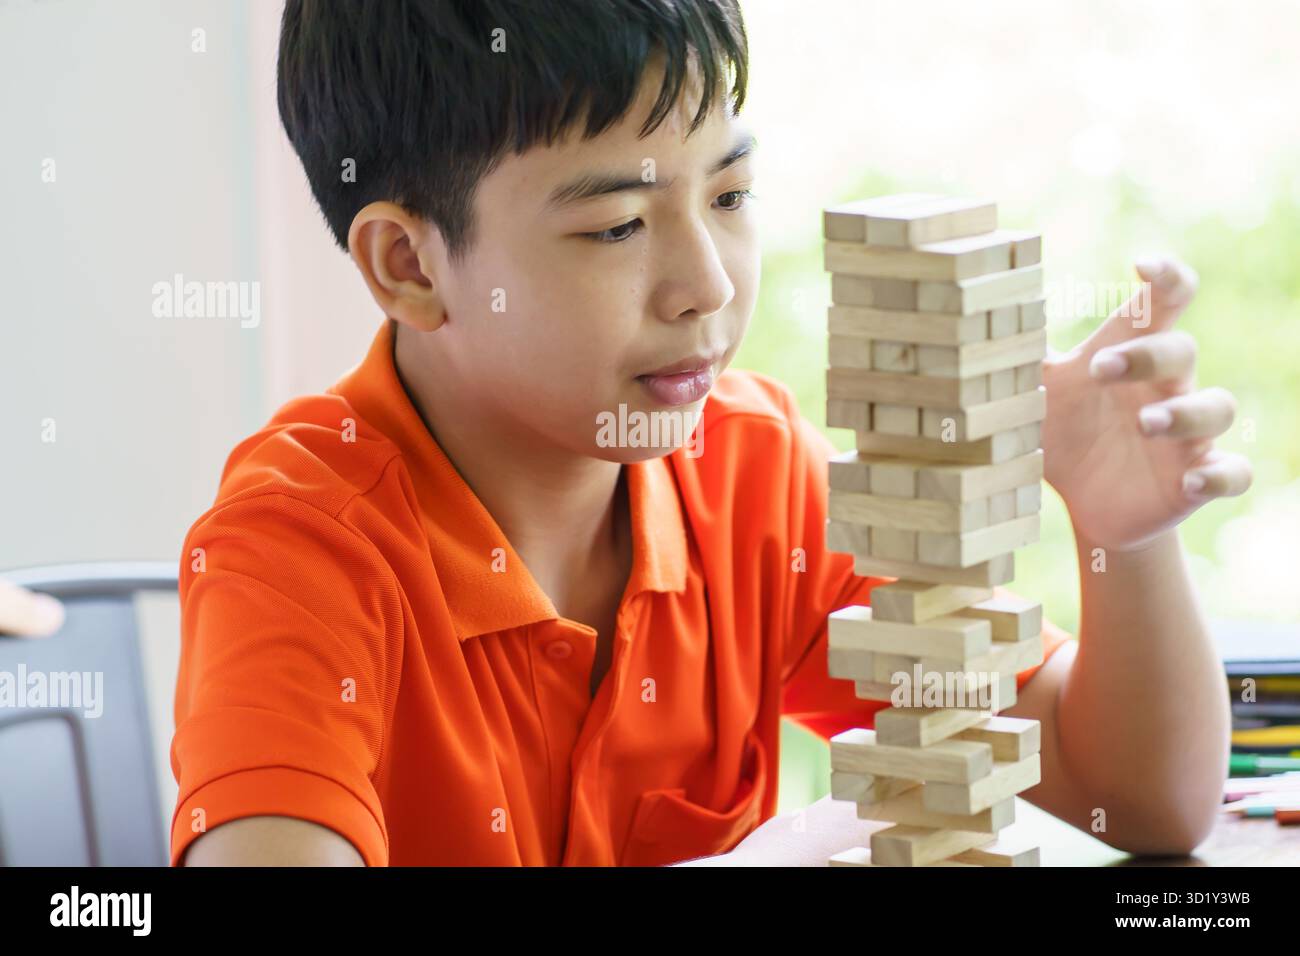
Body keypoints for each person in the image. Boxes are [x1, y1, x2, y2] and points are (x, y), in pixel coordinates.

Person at [172, 0, 1250, 866]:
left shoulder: (751, 472)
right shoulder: (300, 547)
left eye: (731, 195)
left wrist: (1124, 537)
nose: (707, 284)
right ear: (409, 265)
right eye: (617, 226)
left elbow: (1132, 799)